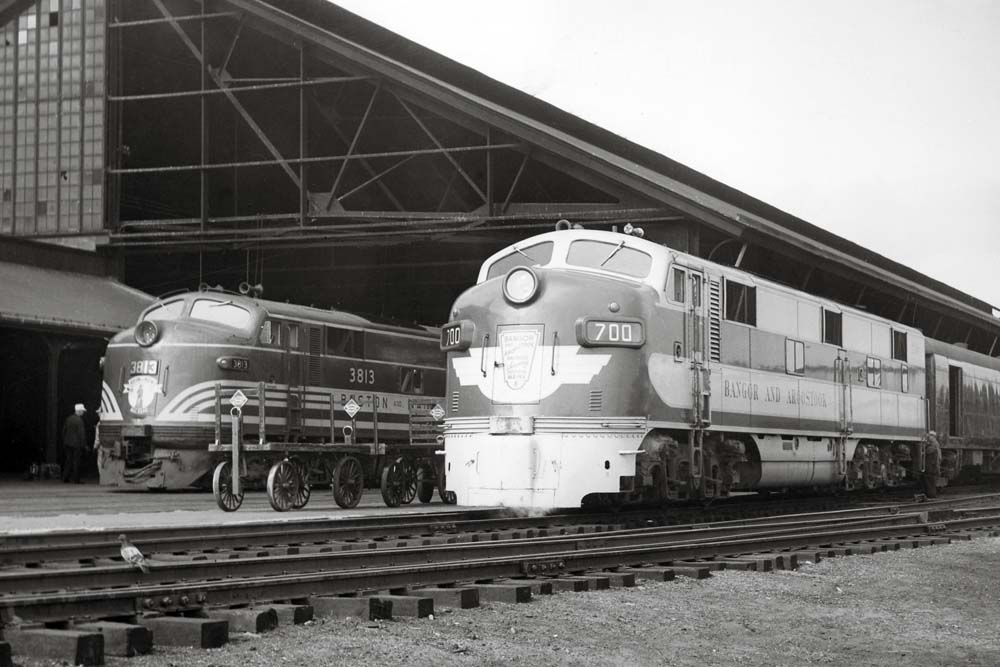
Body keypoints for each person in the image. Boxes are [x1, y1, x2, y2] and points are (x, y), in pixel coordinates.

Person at [62, 403, 88, 484]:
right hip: (77, 444)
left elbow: (64, 431)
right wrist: (84, 445)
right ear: (79, 411)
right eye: (82, 411)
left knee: (68, 460)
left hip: (67, 443)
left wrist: (64, 441)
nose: (83, 413)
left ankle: (65, 478)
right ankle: (76, 479)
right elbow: (81, 434)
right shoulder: (79, 421)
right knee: (76, 461)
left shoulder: (68, 419)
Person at [922, 430, 941, 497]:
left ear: (933, 436)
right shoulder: (935, 443)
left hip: (932, 466)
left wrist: (925, 446)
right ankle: (931, 494)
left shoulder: (933, 444)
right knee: (931, 480)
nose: (929, 437)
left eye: (930, 436)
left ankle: (931, 494)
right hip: (933, 466)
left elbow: (928, 451)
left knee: (930, 480)